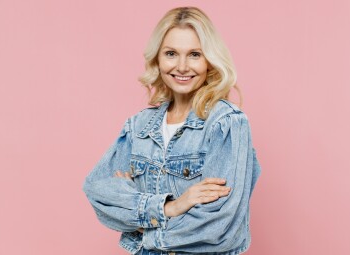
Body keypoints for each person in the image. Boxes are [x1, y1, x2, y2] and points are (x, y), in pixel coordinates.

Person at [83, 6, 261, 255]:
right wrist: (171, 207)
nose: (182, 66)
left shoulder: (226, 123)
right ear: (157, 58)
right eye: (171, 53)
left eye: (195, 54)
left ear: (210, 60)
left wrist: (143, 229)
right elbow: (98, 190)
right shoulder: (139, 126)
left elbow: (221, 226)